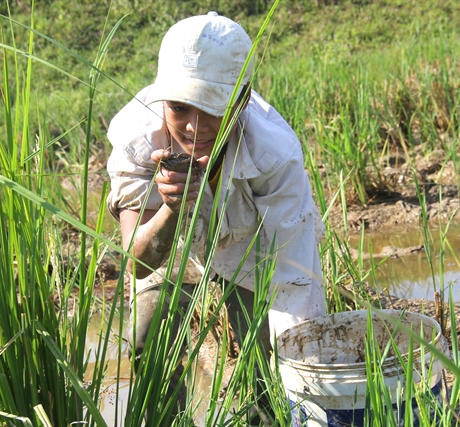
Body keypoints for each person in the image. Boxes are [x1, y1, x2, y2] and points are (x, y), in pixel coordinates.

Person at [105, 11, 326, 421]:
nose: (193, 127)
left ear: (241, 100)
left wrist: (308, 384)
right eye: (179, 107)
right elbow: (136, 261)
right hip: (170, 247)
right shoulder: (136, 139)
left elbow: (293, 278)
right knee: (145, 341)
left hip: (250, 247)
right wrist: (171, 206)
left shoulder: (273, 153)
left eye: (212, 109)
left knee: (263, 365)